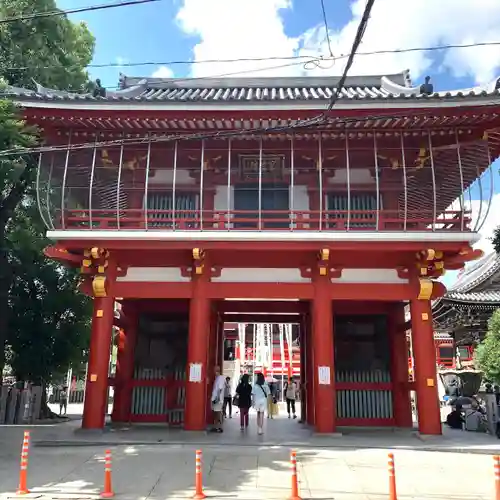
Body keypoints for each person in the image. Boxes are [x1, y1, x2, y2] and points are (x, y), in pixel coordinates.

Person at [210, 366, 225, 433]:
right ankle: (215, 427)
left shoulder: (221, 378)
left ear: (217, 370)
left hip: (218, 399)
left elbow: (220, 389)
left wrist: (217, 398)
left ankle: (219, 427)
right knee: (215, 413)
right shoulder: (217, 378)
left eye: (214, 370)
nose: (214, 371)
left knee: (218, 413)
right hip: (215, 398)